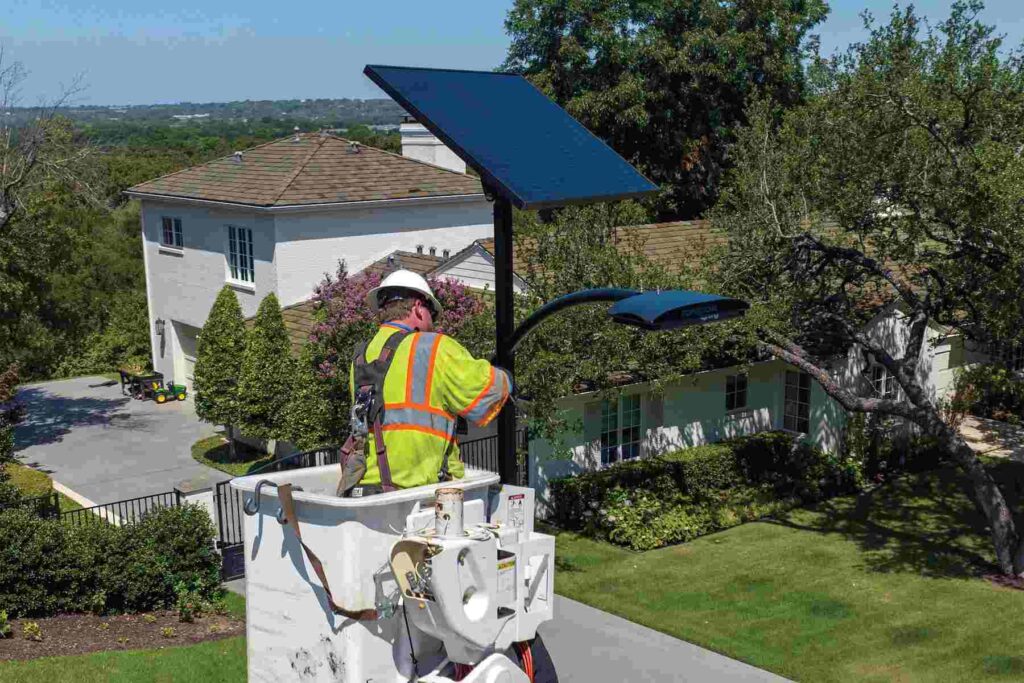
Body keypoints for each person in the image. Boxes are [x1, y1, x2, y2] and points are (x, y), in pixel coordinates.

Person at [342, 269, 511, 495]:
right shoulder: (434, 348)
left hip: (364, 489)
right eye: (432, 313)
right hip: (414, 497)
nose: (433, 323)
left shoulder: (360, 357)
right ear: (418, 308)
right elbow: (488, 392)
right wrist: (507, 377)